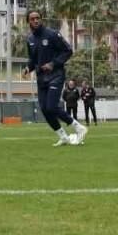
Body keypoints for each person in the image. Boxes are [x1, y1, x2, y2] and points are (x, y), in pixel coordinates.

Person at [21, 11, 88, 146]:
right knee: (44, 109)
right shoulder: (30, 40)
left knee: (51, 107)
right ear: (28, 22)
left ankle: (79, 128)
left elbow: (68, 51)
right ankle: (63, 137)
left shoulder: (52, 34)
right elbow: (33, 60)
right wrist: (28, 68)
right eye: (32, 19)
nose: (35, 21)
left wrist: (53, 64)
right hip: (41, 79)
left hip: (56, 76)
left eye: (38, 18)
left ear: (41, 19)